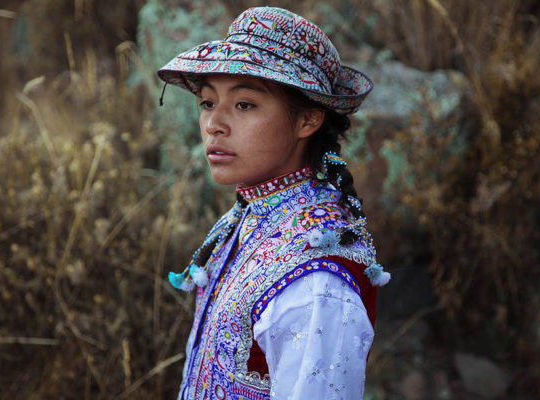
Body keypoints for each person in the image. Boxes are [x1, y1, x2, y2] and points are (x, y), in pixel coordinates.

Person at [157, 6, 390, 400]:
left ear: (307, 121)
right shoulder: (247, 217)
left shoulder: (317, 278)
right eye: (208, 103)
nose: (214, 124)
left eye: (244, 104)